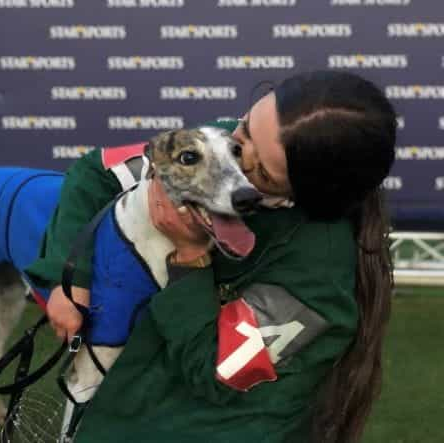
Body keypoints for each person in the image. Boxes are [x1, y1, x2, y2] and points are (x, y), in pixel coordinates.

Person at [25, 70, 396, 442]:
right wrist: (69, 276)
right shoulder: (220, 143)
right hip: (131, 400)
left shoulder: (318, 274)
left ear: (308, 198)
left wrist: (190, 256)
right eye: (244, 133)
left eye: (260, 172)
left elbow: (219, 371)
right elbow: (96, 173)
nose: (232, 165)